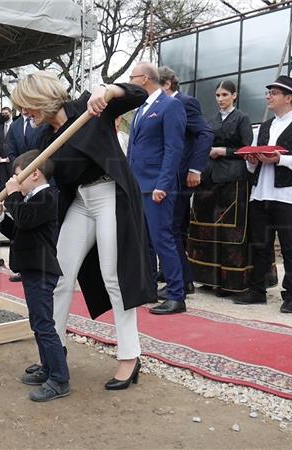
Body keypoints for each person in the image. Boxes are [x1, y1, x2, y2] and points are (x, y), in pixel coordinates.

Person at [12, 71, 154, 389]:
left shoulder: (88, 108)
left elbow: (138, 95)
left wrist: (109, 90)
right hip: (79, 202)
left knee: (114, 276)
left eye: (27, 106)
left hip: (110, 195)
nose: (24, 113)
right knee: (59, 276)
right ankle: (53, 355)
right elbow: (39, 182)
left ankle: (130, 357)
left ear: (42, 99)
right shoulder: (42, 141)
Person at [0, 150, 69, 401]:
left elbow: (25, 220)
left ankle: (59, 378)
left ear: (34, 173)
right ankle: (47, 368)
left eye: (17, 176)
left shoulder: (48, 196)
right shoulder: (30, 200)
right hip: (31, 267)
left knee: (45, 325)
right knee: (37, 323)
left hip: (42, 268)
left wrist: (13, 193)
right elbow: (18, 230)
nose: (14, 181)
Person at [233, 75, 292, 314]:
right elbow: (253, 166)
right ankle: (257, 291)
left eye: (273, 93)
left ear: (288, 98)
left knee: (291, 248)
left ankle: (291, 295)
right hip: (261, 193)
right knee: (260, 245)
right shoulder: (263, 127)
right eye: (268, 92)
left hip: (290, 196)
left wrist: (281, 158)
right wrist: (252, 160)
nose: (268, 96)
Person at [126, 62, 188, 315]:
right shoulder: (142, 107)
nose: (129, 80)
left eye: (132, 77)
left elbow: (174, 149)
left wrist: (163, 184)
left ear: (144, 79)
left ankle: (176, 295)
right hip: (138, 184)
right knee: (145, 241)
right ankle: (149, 288)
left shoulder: (171, 105)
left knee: (163, 240)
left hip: (157, 186)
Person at [188, 80, 259, 296]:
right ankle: (209, 279)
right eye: (217, 95)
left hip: (233, 179)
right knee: (207, 229)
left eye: (225, 95)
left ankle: (231, 282)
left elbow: (247, 149)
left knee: (231, 232)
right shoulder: (210, 120)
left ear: (234, 96)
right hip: (210, 179)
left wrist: (224, 151)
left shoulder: (242, 118)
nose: (220, 99)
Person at [158, 66, 214, 298]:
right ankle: (183, 278)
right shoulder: (159, 106)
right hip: (166, 175)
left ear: (168, 84)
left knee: (172, 228)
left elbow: (205, 133)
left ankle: (181, 281)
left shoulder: (185, 102)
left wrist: (195, 168)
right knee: (173, 228)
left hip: (180, 176)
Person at [0, 107, 14, 183]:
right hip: (1, 160)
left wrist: (12, 156)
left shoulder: (15, 126)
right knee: (2, 183)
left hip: (12, 160)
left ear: (10, 113)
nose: (4, 115)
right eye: (2, 114)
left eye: (6, 113)